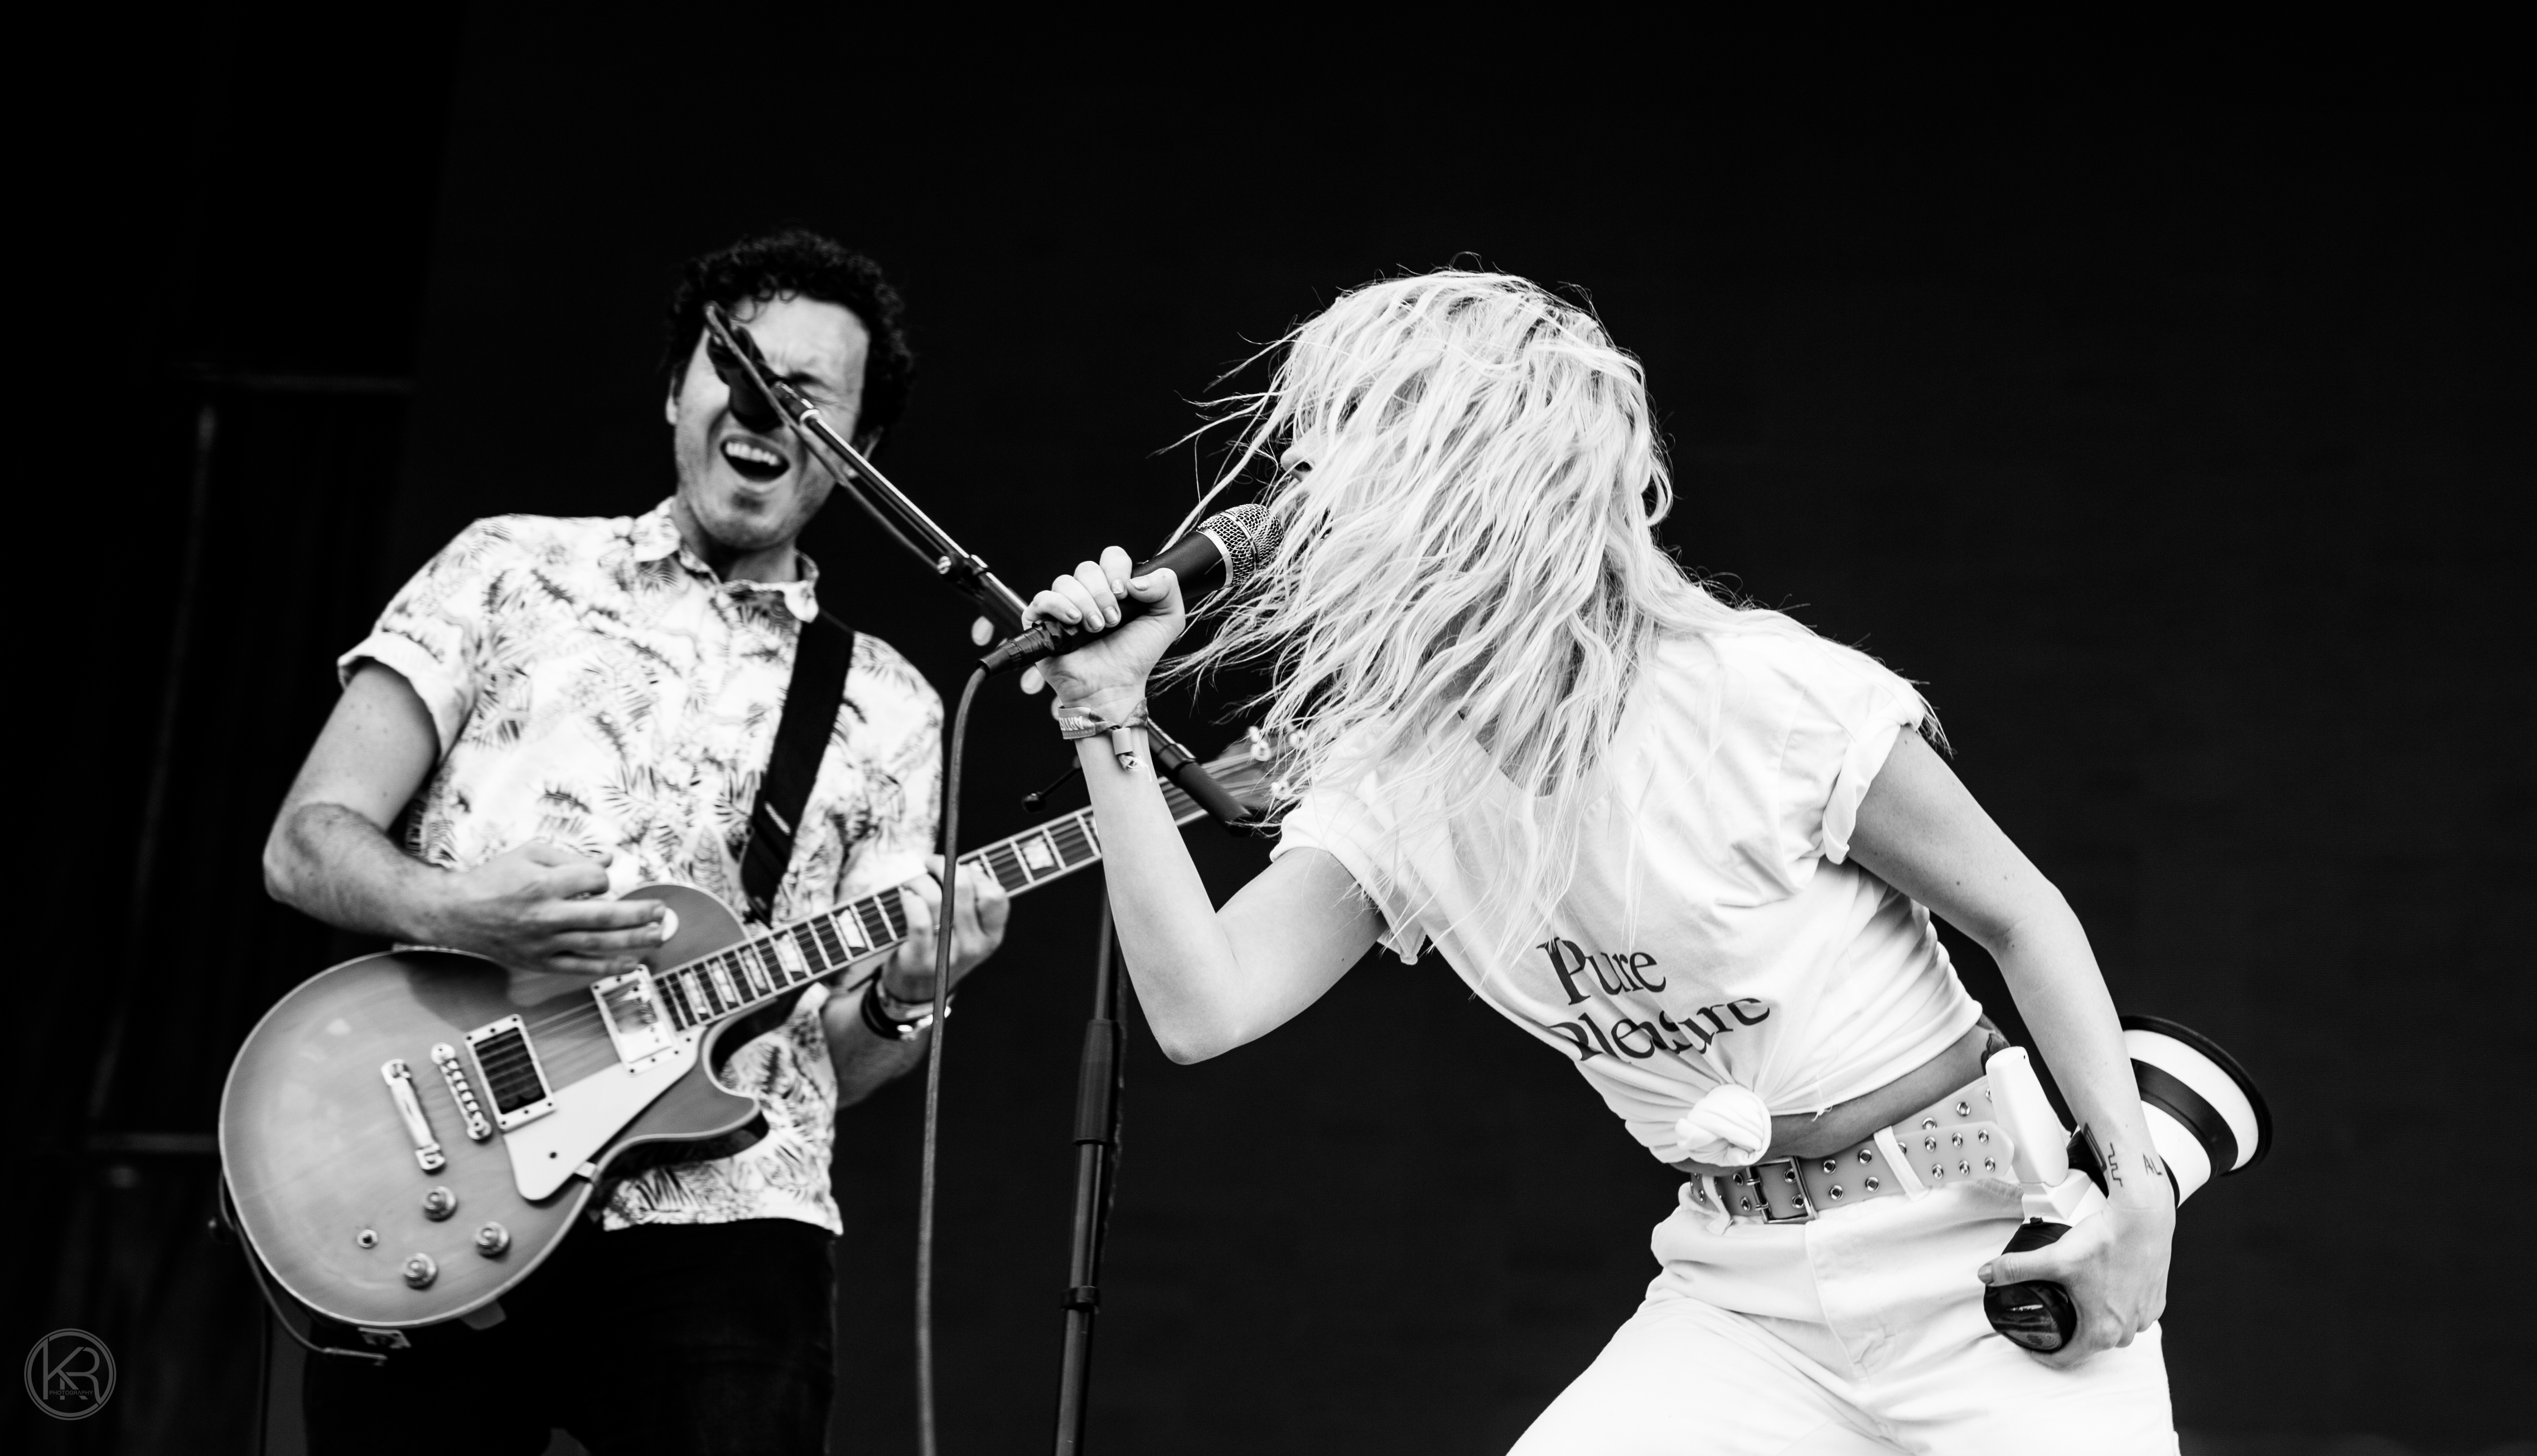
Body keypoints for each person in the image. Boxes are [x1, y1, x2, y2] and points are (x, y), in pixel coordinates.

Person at [1023, 271, 2178, 1454]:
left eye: (1360, 443)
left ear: (1484, 476)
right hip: (1743, 1296)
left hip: (1983, 1255)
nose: (1310, 486)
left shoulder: (1756, 694)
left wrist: (2136, 1195)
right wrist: (1105, 714)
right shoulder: (1397, 776)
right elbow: (1204, 1006)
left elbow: (2022, 915)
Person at [261, 228, 1008, 1455]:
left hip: (730, 1221)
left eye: (809, 395)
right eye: (742, 371)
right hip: (442, 1164)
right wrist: (458, 910)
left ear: (862, 453)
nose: (766, 409)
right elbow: (304, 844)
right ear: (677, 391)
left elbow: (835, 1063)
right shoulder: (507, 569)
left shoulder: (891, 706)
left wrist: (905, 999)